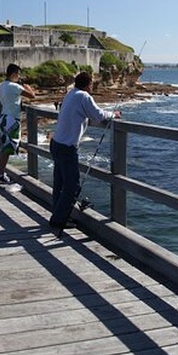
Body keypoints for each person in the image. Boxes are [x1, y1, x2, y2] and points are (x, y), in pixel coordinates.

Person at [49, 71, 121, 237]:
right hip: (67, 146)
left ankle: (57, 214)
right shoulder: (84, 96)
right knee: (72, 185)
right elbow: (97, 115)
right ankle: (58, 219)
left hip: (56, 143)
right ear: (88, 84)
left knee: (60, 183)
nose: (93, 85)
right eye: (92, 83)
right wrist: (113, 114)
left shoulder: (71, 94)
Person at [0, 63, 35, 183]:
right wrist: (26, 86)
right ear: (13, 74)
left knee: (6, 147)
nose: (19, 77)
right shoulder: (15, 87)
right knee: (7, 149)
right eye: (18, 75)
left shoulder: (2, 85)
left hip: (3, 117)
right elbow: (32, 96)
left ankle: (1, 173)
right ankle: (0, 174)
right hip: (11, 119)